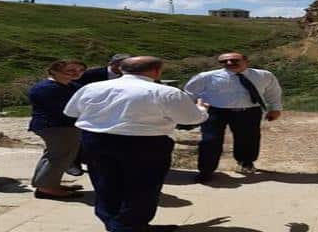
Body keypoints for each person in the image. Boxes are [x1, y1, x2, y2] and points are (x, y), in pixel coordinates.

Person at [64, 56, 208, 232]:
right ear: (157, 71)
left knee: (105, 182)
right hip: (146, 143)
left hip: (97, 141)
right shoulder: (166, 92)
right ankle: (129, 226)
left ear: (121, 69)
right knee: (143, 186)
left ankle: (112, 221)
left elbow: (71, 112)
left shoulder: (91, 87)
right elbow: (191, 118)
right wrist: (202, 109)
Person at [184, 52, 283, 183]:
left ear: (246, 61)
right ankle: (206, 170)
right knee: (210, 140)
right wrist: (190, 110)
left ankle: (246, 162)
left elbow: (273, 92)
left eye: (234, 60)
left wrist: (275, 108)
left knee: (248, 138)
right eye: (224, 61)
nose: (229, 63)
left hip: (248, 111)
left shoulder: (263, 75)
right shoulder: (207, 77)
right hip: (215, 111)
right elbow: (189, 92)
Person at [28, 59, 87, 199]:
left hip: (63, 126)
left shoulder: (71, 85)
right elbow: (63, 109)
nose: (76, 74)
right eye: (70, 71)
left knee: (55, 155)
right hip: (55, 126)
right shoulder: (46, 88)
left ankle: (46, 183)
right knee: (60, 157)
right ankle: (47, 188)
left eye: (80, 71)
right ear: (54, 71)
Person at [70, 53, 131, 176]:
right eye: (123, 65)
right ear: (112, 64)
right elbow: (75, 88)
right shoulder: (91, 74)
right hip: (92, 111)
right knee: (83, 138)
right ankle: (73, 163)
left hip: (118, 113)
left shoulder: (130, 76)